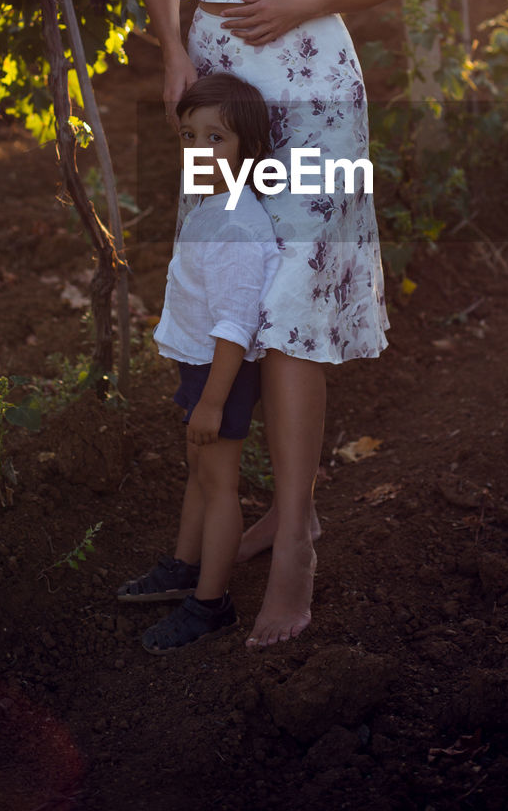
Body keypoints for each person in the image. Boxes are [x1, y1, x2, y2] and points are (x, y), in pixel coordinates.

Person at [125, 0, 419, 649]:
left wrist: (304, 0)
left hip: (316, 95)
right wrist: (171, 57)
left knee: (296, 311)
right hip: (216, 101)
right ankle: (216, 527)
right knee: (224, 286)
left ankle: (293, 538)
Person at [117, 73, 280, 653]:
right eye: (190, 136)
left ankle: (211, 603)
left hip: (221, 375)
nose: (198, 151)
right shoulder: (213, 204)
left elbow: (236, 327)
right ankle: (185, 567)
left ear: (249, 150)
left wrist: (211, 401)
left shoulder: (237, 225)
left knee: (219, 485)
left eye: (217, 139)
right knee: (200, 472)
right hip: (201, 367)